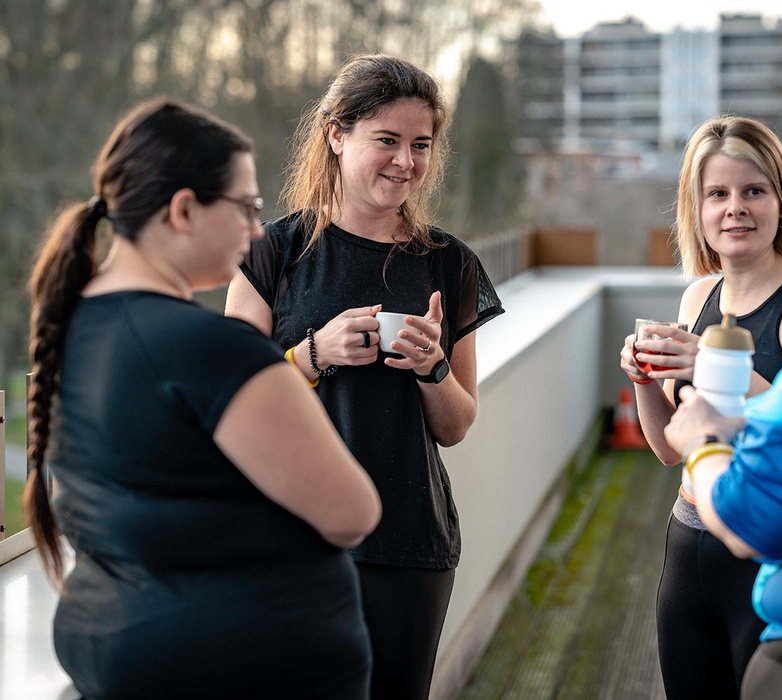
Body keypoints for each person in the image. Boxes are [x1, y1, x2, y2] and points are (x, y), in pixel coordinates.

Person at [25, 96, 381, 699]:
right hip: (242, 671)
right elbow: (354, 513)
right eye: (245, 207)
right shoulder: (212, 349)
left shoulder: (70, 328)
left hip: (117, 645)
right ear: (184, 210)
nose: (255, 229)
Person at [225, 54, 504, 698]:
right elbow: (233, 408)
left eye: (421, 145)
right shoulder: (274, 252)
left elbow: (458, 426)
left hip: (409, 543)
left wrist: (431, 367)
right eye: (387, 140)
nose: (406, 161)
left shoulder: (449, 264)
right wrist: (313, 353)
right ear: (336, 134)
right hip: (290, 539)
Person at [618, 115, 782, 699]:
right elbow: (670, 449)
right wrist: (644, 379)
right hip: (687, 547)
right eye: (716, 194)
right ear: (695, 210)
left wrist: (717, 368)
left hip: (769, 556)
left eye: (753, 191)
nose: (735, 209)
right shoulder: (698, 295)